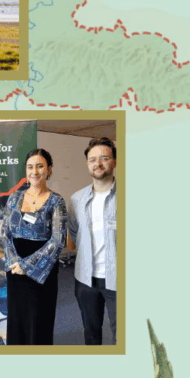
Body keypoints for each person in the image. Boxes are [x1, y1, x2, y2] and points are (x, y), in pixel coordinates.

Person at [2, 148, 66, 345]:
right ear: (26, 170)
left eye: (40, 166)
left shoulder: (57, 202)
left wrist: (27, 266)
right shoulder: (13, 198)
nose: (35, 171)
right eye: (30, 167)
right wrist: (14, 262)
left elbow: (58, 241)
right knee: (17, 321)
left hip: (42, 273)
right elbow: (5, 233)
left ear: (49, 169)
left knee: (39, 322)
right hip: (15, 271)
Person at [68, 137, 118, 345]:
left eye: (104, 158)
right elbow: (73, 232)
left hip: (119, 279)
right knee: (91, 334)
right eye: (92, 160)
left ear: (114, 161)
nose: (98, 164)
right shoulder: (76, 199)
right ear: (87, 163)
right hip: (86, 279)